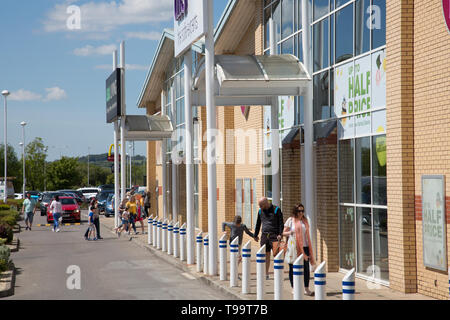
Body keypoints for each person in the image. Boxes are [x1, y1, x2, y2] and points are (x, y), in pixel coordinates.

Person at [282, 203, 315, 296]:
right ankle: (294, 287)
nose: (301, 213)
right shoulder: (290, 220)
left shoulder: (305, 220)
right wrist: (291, 232)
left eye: (302, 211)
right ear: (295, 211)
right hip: (294, 247)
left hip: (305, 247)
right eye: (299, 211)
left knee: (306, 268)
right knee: (292, 268)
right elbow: (283, 233)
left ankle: (306, 289)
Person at [254, 197, 284, 280]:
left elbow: (281, 223)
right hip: (264, 235)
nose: (260, 207)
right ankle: (266, 273)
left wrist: (280, 234)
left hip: (274, 235)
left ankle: (278, 274)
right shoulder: (260, 211)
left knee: (276, 255)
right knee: (265, 255)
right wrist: (255, 234)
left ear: (266, 203)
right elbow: (258, 223)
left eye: (261, 205)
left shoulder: (276, 209)